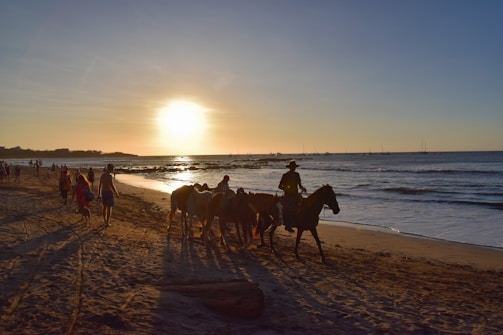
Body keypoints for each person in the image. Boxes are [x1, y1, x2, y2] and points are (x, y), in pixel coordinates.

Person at [278, 160, 306, 233]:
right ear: (290, 168)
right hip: (288, 194)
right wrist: (287, 189)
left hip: (296, 194)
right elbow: (280, 186)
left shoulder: (297, 175)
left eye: (294, 167)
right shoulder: (285, 175)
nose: (293, 168)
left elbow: (299, 185)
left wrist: (303, 188)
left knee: (303, 204)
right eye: (292, 167)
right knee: (290, 207)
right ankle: (288, 225)